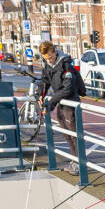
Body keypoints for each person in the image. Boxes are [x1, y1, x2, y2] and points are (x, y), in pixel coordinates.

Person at [38, 41, 80, 176]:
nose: (49, 60)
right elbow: (44, 81)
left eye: (50, 57)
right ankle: (74, 161)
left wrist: (51, 101)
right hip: (60, 102)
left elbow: (68, 88)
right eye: (46, 59)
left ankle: (79, 164)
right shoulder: (47, 64)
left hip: (70, 102)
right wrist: (40, 95)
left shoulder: (65, 64)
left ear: (55, 52)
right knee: (66, 135)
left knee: (74, 135)